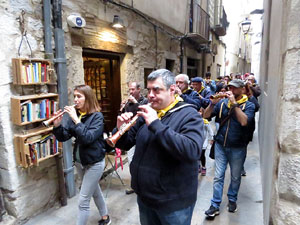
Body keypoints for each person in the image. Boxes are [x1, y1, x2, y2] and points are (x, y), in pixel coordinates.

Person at [115, 69, 204, 225]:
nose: (150, 95)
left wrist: (156, 124)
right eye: (149, 90)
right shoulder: (149, 111)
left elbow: (192, 151)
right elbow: (127, 143)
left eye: (156, 89)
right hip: (146, 198)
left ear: (171, 89)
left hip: (173, 203)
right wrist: (120, 130)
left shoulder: (190, 115)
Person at [52, 85, 111, 225]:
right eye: (75, 96)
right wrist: (57, 125)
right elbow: (64, 136)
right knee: (95, 191)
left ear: (88, 98)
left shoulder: (97, 116)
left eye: (79, 96)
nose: (76, 100)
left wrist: (76, 120)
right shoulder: (77, 116)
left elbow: (88, 138)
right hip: (80, 161)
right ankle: (105, 217)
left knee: (83, 200)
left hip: (94, 163)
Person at [203, 79, 255, 219]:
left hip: (238, 147)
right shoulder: (221, 103)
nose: (231, 90)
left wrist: (234, 104)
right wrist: (212, 103)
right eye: (229, 87)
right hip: (221, 145)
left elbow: (244, 121)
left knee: (235, 176)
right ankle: (215, 204)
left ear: (242, 89)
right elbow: (206, 116)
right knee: (218, 176)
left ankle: (232, 200)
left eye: (234, 88)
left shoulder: (249, 105)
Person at [120, 82, 148, 195]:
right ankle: (135, 184)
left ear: (139, 89)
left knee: (143, 162)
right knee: (131, 162)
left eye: (133, 89)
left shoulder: (145, 102)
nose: (131, 92)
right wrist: (122, 108)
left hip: (142, 135)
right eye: (129, 90)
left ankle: (144, 183)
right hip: (132, 136)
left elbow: (143, 114)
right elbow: (125, 117)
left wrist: (135, 103)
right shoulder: (128, 104)